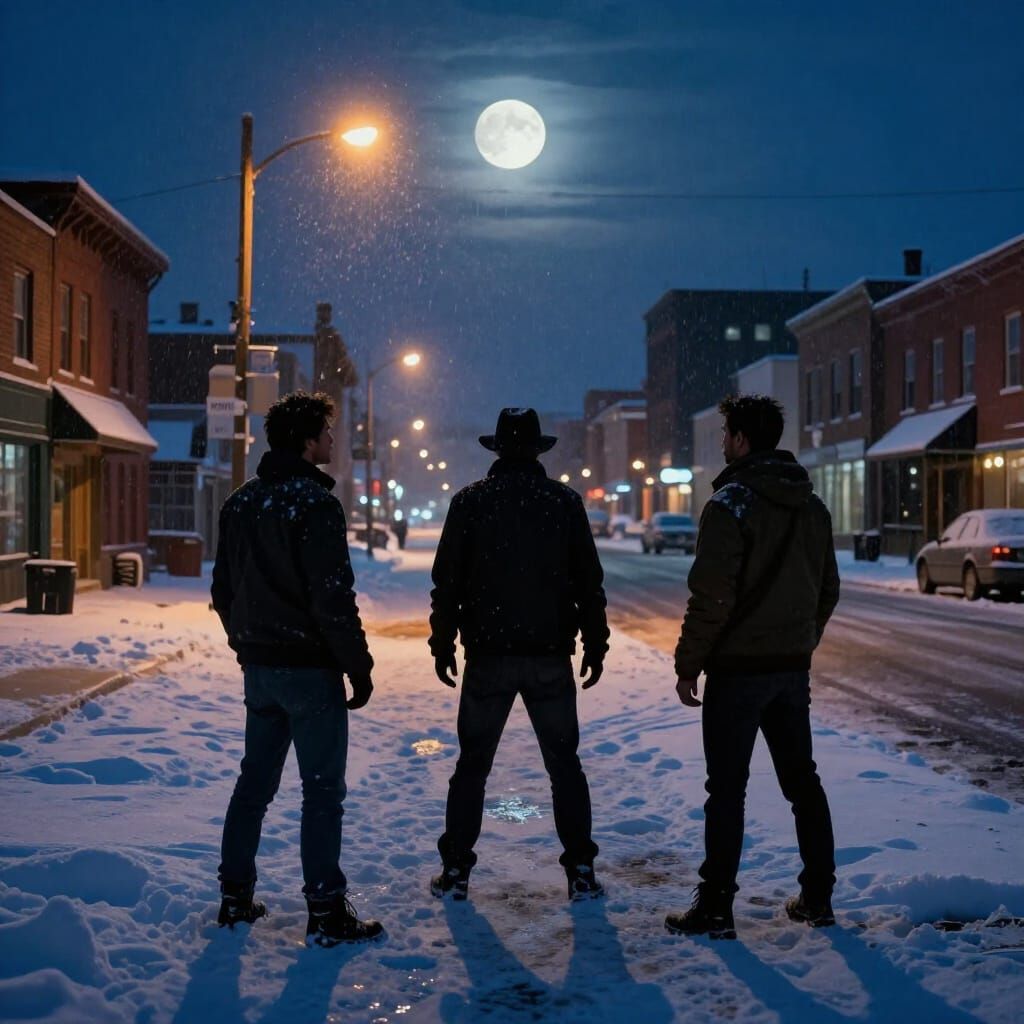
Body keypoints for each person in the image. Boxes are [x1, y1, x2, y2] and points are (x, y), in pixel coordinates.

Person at [211, 390, 383, 946]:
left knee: (253, 785)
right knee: (322, 791)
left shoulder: (241, 503)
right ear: (309, 441)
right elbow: (332, 598)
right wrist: (357, 666)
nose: (333, 441)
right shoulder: (315, 506)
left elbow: (222, 588)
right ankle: (326, 911)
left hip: (260, 670)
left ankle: (235, 898)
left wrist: (247, 643)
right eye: (328, 433)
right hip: (309, 671)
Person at [666, 394, 840, 940]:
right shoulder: (811, 507)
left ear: (741, 439)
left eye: (725, 436)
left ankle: (716, 907)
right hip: (789, 672)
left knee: (726, 791)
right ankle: (818, 897)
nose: (722, 444)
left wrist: (689, 663)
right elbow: (827, 590)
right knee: (803, 784)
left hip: (738, 673)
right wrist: (800, 641)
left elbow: (711, 598)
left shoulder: (731, 506)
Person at [428, 407, 610, 901]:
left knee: (472, 766)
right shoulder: (563, 503)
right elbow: (588, 583)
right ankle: (580, 871)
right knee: (564, 766)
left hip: (489, 655)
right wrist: (595, 642)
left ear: (496, 450)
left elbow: (447, 584)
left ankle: (457, 871)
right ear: (537, 450)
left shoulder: (470, 503)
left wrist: (442, 642)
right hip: (549, 654)